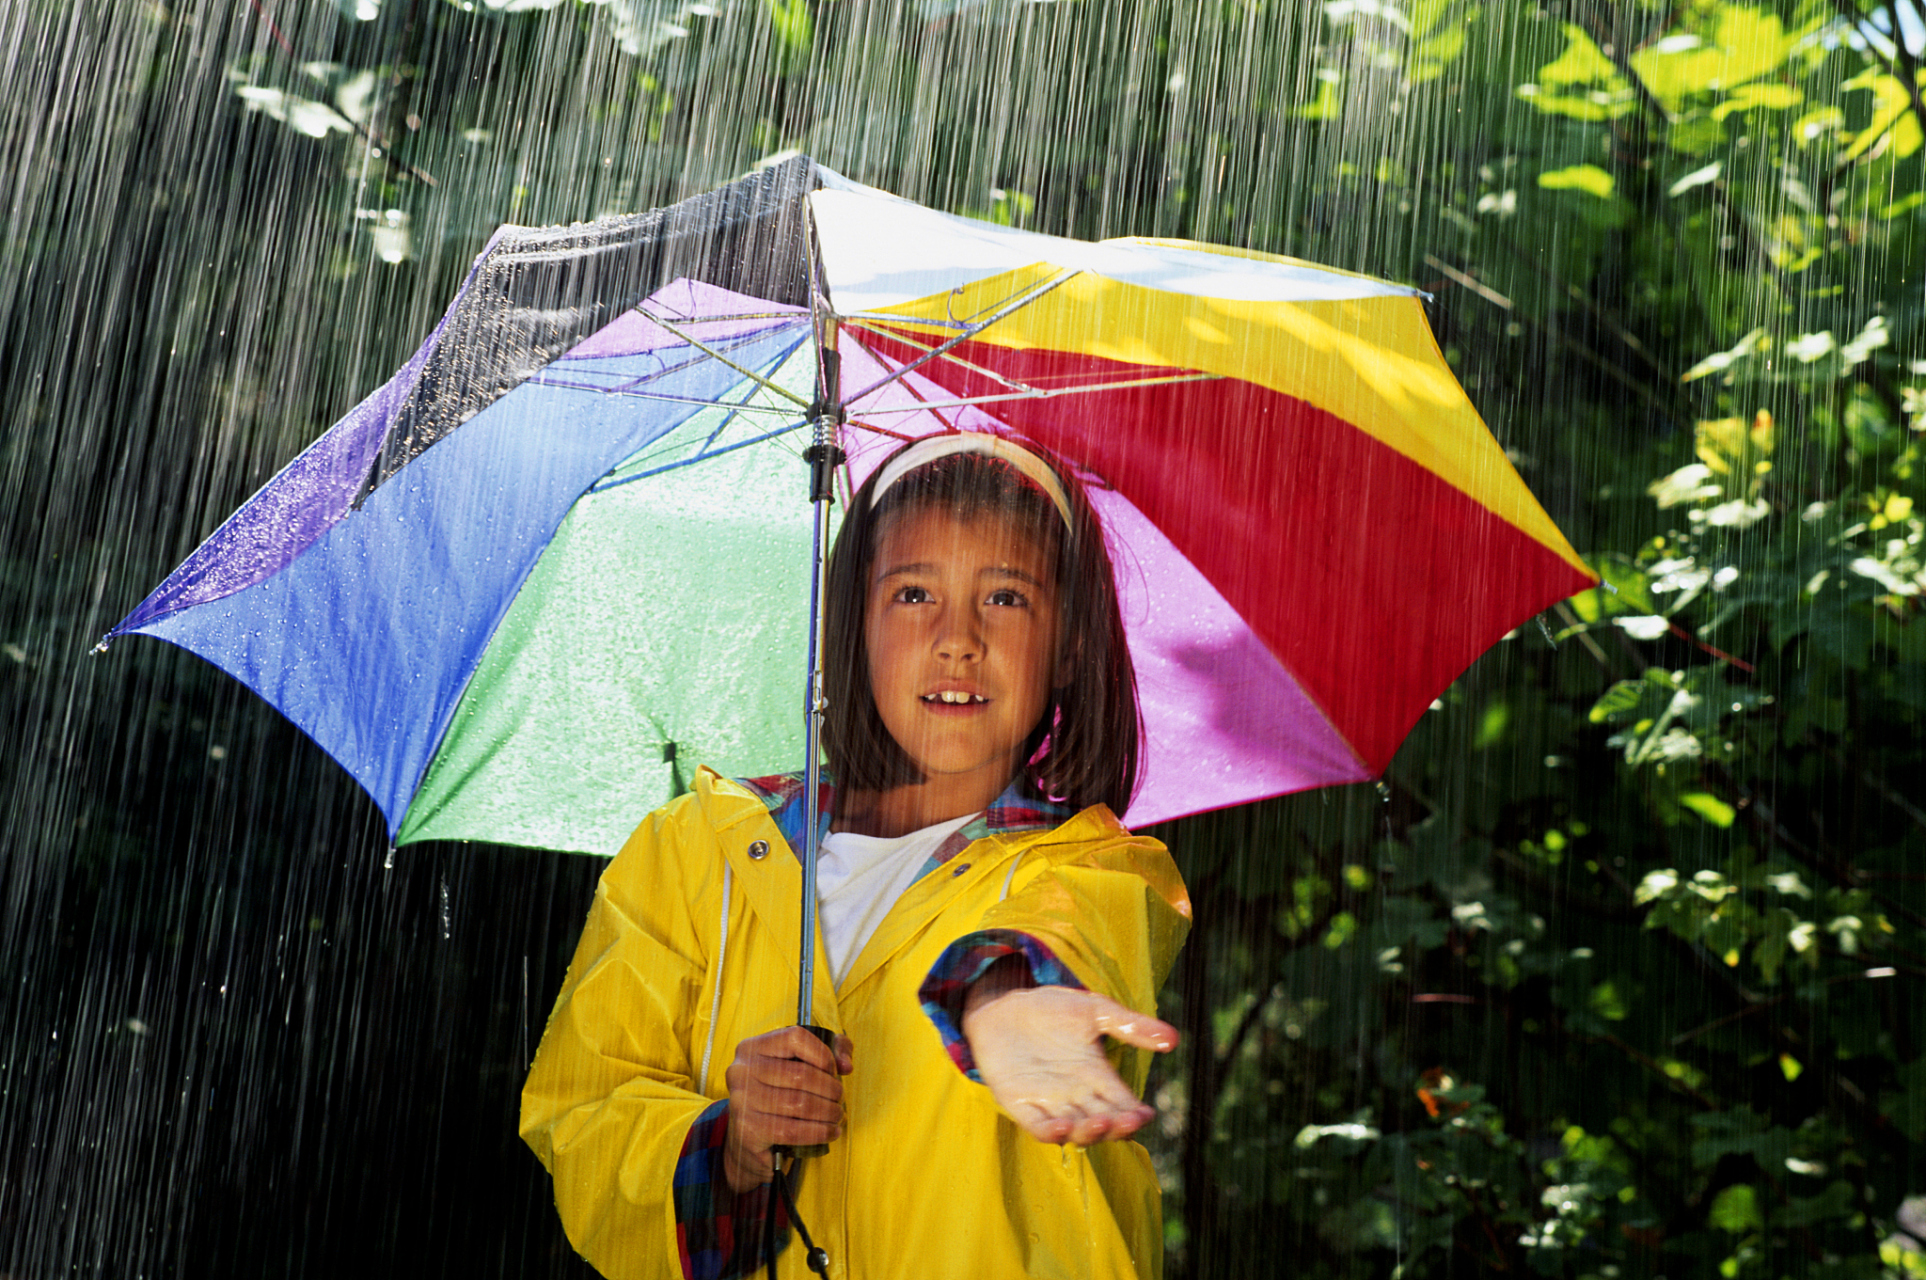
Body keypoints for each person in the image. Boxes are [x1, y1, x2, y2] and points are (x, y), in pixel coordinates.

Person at [519, 433, 1193, 1280]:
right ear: (853, 628)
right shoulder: (694, 852)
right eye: (914, 594)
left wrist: (1004, 992)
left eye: (1007, 599)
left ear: (1066, 647)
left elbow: (1074, 932)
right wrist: (730, 1146)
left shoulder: (1092, 868)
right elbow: (583, 1117)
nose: (958, 639)